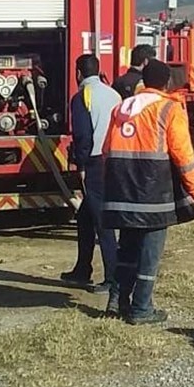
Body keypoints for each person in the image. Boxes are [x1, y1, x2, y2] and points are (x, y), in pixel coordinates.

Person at [102, 58, 194, 323]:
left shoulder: (122, 108)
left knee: (127, 248)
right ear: (167, 82)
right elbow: (182, 153)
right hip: (153, 191)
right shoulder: (169, 109)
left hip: (122, 188)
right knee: (150, 253)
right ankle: (142, 309)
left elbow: (105, 150)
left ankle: (116, 301)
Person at [61, 54, 121, 292]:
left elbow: (83, 136)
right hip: (114, 158)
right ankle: (82, 269)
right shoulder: (114, 94)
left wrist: (82, 166)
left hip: (95, 163)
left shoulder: (81, 98)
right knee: (85, 216)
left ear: (78, 73)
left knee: (101, 220)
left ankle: (112, 278)